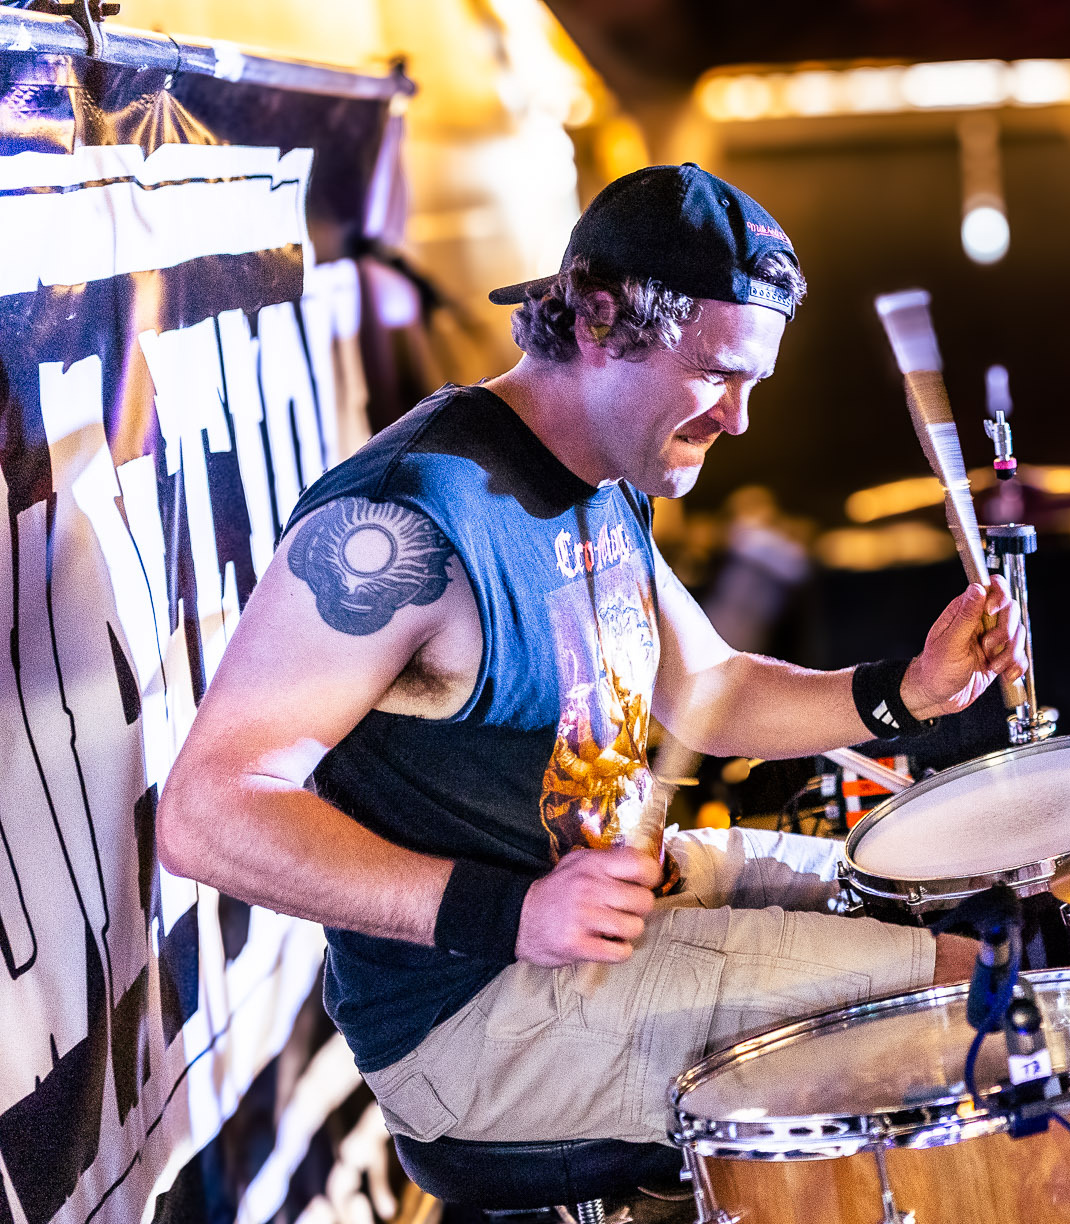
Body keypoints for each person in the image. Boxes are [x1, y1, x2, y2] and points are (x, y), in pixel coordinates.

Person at [158, 165, 1024, 1146]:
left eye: (755, 383)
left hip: (610, 903)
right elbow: (207, 810)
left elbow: (707, 688)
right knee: (972, 1001)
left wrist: (908, 690)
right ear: (602, 323)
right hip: (480, 1012)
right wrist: (511, 912)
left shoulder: (608, 471)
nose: (739, 418)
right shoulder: (406, 521)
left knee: (934, 890)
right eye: (717, 373)